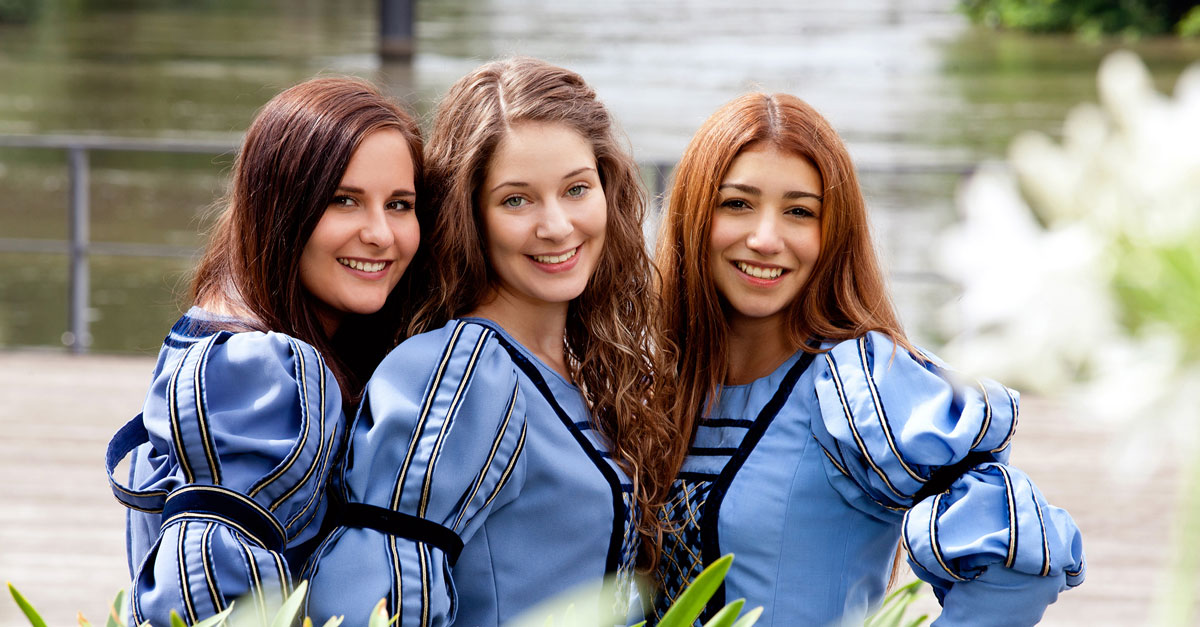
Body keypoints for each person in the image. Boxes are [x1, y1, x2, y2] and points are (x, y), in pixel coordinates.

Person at [650, 93, 1086, 626]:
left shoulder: (861, 387)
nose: (765, 238)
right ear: (695, 215)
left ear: (832, 233)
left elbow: (1018, 565)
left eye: (799, 212)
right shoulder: (655, 382)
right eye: (737, 203)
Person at [302, 57, 677, 625]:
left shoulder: (574, 368)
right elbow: (372, 599)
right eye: (516, 200)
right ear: (469, 215)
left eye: (576, 189)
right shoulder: (459, 374)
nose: (555, 226)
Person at [103, 76, 425, 624]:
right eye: (343, 201)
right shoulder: (256, 371)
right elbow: (208, 603)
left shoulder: (229, 332)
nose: (381, 233)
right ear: (280, 209)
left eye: (400, 204)